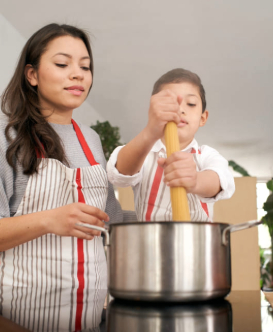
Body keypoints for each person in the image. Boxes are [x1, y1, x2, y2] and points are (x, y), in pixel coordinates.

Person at [0, 23, 126, 331]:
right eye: (62, 64)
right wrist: (49, 220)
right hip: (22, 317)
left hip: (91, 316)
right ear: (32, 75)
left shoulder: (92, 139)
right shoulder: (8, 137)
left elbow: (113, 221)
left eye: (85, 66)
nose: (78, 74)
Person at [107, 68, 235, 222]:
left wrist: (195, 180)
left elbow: (221, 181)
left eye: (191, 104)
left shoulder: (206, 155)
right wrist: (149, 132)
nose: (180, 109)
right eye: (170, 104)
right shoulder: (143, 153)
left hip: (197, 243)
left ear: (203, 117)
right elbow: (120, 175)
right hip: (150, 243)